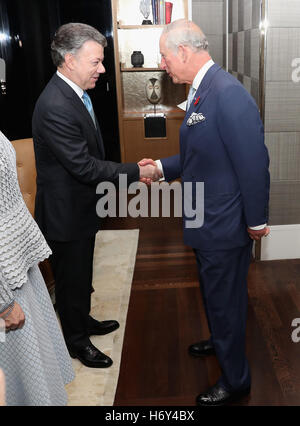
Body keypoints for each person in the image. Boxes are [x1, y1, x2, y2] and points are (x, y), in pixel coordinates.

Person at [140, 19, 270, 406]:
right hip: (203, 216)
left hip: (223, 225)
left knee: (226, 301)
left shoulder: (227, 94)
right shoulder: (202, 90)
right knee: (216, 296)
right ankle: (220, 342)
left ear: (183, 51)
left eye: (164, 56)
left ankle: (236, 380)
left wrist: (257, 221)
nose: (162, 65)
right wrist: (161, 169)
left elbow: (253, 164)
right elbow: (202, 155)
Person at [32, 23, 159, 369]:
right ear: (69, 60)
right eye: (96, 62)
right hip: (65, 214)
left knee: (82, 276)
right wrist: (138, 172)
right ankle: (76, 343)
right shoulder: (56, 104)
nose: (102, 69)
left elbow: (92, 158)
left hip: (82, 207)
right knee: (71, 281)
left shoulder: (76, 94)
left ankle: (83, 322)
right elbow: (85, 168)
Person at [0, 130, 74, 406]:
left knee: (36, 375)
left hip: (18, 263)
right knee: (18, 382)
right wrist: (3, 302)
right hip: (5, 279)